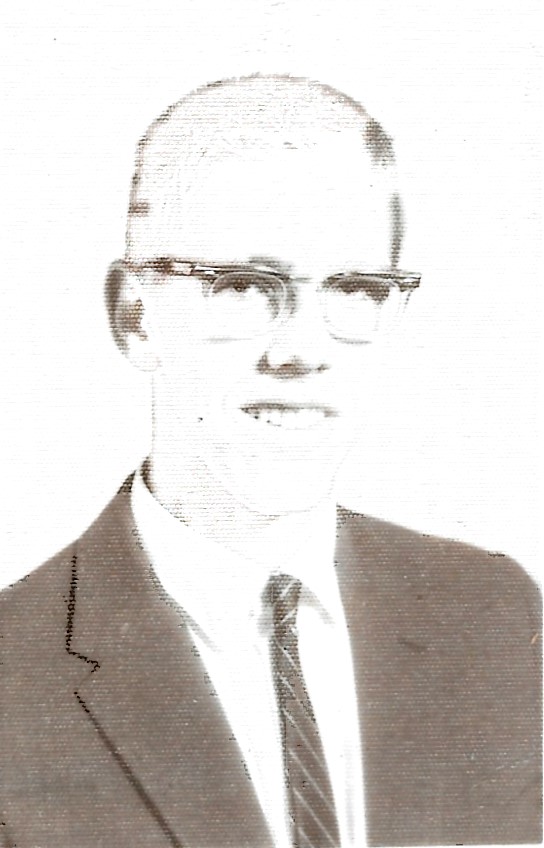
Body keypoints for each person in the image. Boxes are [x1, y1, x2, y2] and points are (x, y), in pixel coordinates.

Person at [1, 74, 541, 848]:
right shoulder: (12, 679)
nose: (301, 350)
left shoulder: (495, 614)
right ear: (135, 316)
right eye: (246, 286)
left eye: (354, 287)